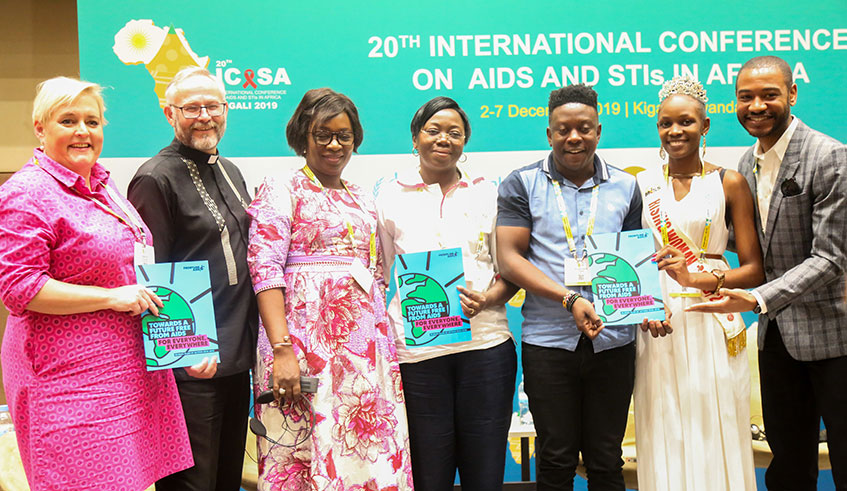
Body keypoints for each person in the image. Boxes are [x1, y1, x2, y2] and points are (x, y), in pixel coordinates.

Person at [0, 76, 205, 490]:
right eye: (68, 120)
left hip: (125, 374)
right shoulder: (26, 193)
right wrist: (111, 298)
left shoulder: (103, 185)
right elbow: (19, 288)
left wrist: (185, 345)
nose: (82, 132)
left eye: (92, 122)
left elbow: (133, 272)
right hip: (67, 381)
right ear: (40, 126)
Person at [688, 55, 847, 490]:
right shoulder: (744, 164)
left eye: (769, 95)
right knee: (789, 465)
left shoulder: (829, 156)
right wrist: (696, 254)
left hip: (834, 337)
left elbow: (831, 258)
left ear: (792, 95)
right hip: (776, 338)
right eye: (745, 97)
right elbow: (755, 247)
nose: (756, 105)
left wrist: (757, 298)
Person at [246, 88, 413, 490]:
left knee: (363, 455)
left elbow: (375, 273)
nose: (335, 144)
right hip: (303, 350)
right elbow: (264, 269)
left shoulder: (362, 196)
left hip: (364, 356)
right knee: (304, 457)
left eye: (344, 135)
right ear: (303, 136)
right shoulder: (281, 187)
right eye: (323, 134)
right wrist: (282, 350)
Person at [496, 84, 642, 490]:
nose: (573, 137)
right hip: (548, 342)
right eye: (563, 129)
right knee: (556, 458)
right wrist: (569, 297)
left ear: (599, 130)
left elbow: (630, 262)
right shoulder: (520, 183)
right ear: (549, 133)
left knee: (606, 459)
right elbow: (509, 257)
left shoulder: (626, 187)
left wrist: (645, 308)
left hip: (613, 340)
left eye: (583, 128)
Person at [375, 96, 517, 490]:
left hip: (485, 348)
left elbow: (513, 270)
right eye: (433, 130)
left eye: (455, 133)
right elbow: (378, 274)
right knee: (427, 475)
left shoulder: (489, 192)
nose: (444, 139)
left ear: (465, 141)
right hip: (418, 355)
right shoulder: (388, 196)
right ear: (416, 137)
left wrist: (489, 298)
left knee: (484, 474)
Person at [127, 66, 258, 491]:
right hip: (191, 364)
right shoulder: (154, 178)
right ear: (169, 113)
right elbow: (153, 276)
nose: (205, 116)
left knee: (226, 479)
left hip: (238, 357)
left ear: (226, 109)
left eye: (214, 106)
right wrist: (183, 353)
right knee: (191, 483)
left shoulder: (232, 171)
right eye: (191, 108)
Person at [633, 76, 763, 491]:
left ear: (705, 126)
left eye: (686, 122)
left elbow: (755, 270)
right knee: (664, 418)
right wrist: (646, 303)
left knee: (716, 417)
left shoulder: (729, 182)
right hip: (660, 318)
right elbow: (633, 259)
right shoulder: (643, 187)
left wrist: (698, 277)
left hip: (715, 311)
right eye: (666, 123)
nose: (675, 131)